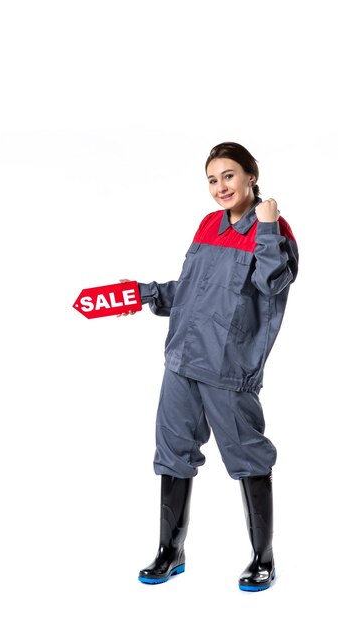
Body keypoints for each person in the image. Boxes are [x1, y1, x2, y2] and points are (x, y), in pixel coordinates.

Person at [120, 142, 298, 591]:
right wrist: (143, 294)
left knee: (247, 456)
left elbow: (273, 284)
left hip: (228, 367)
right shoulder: (207, 225)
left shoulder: (271, 229)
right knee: (172, 455)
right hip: (182, 358)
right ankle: (170, 551)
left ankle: (264, 558)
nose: (221, 186)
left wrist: (270, 226)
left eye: (229, 176)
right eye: (212, 179)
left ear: (251, 177)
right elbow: (193, 289)